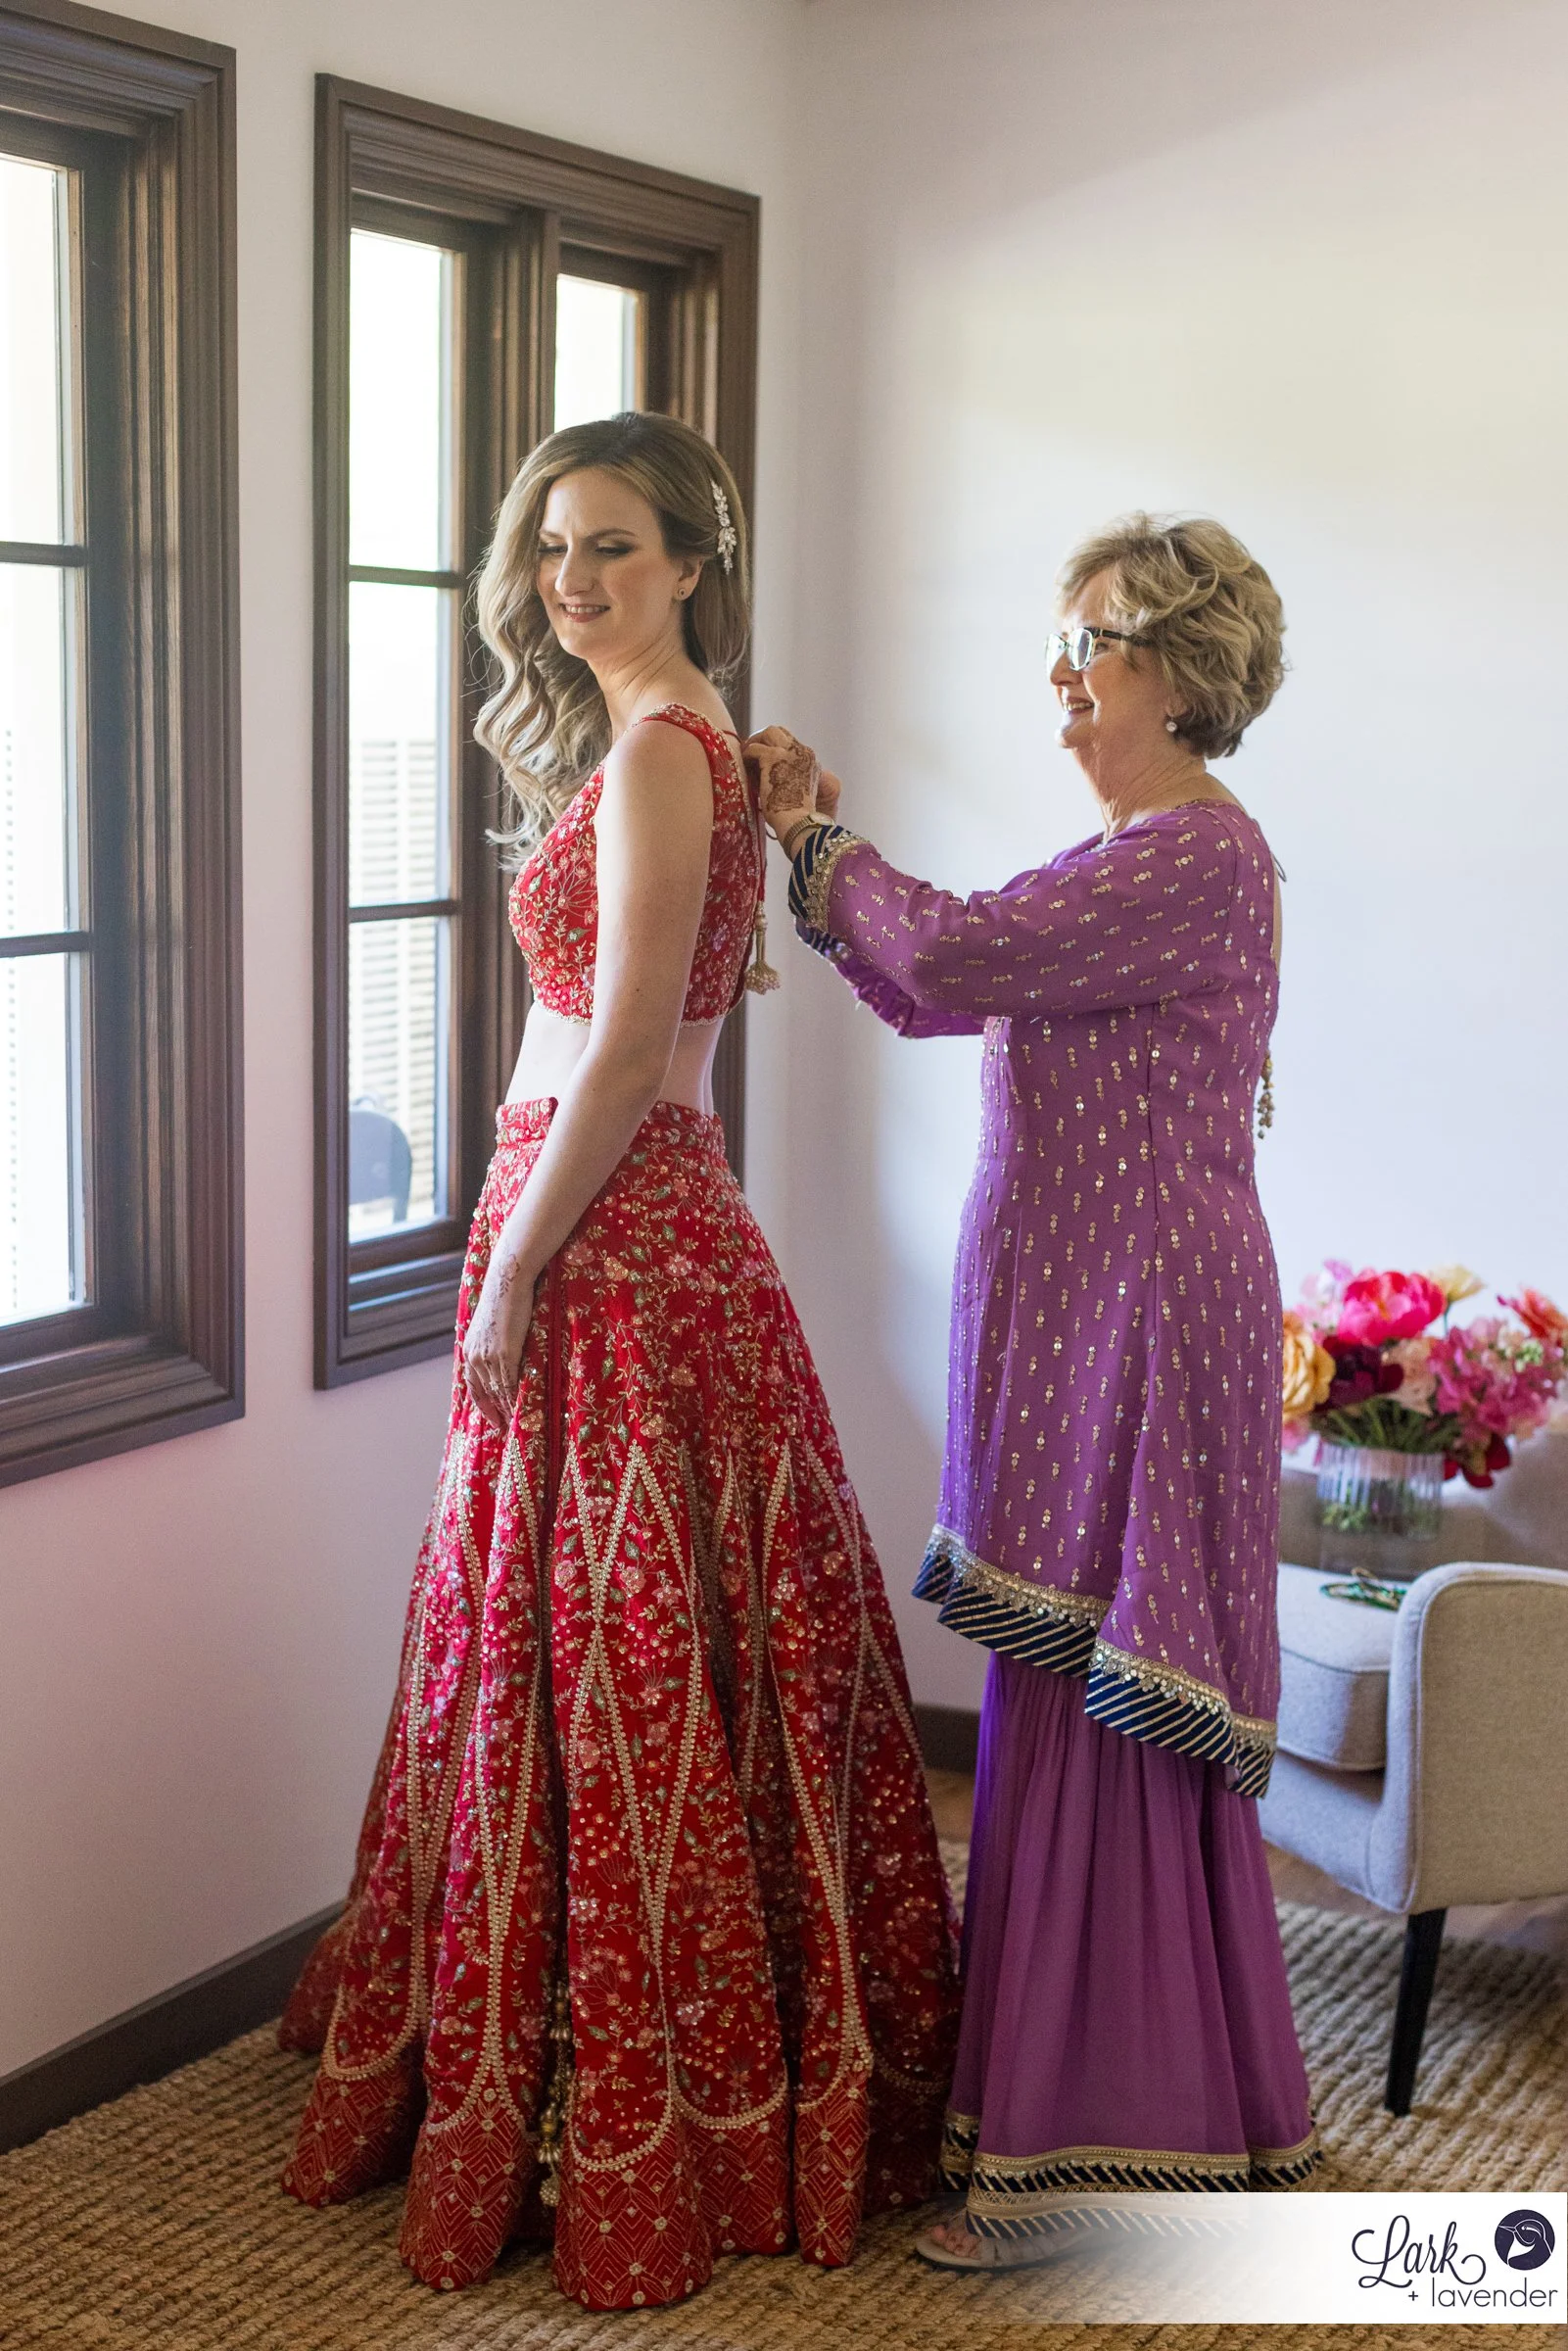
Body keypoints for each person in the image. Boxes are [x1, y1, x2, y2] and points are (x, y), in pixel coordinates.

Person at [278, 413, 961, 2311]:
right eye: (550, 550)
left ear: (686, 564)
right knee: (581, 1636)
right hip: (631, 1220)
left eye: (608, 549)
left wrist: (511, 1272)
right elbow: (663, 1057)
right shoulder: (680, 747)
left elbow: (634, 1045)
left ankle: (659, 2079)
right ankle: (612, 2040)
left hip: (601, 1223)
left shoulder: (667, 754)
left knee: (608, 1641)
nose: (568, 583)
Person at [748, 513, 1319, 2271]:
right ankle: (1121, 2130)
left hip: (1138, 1321)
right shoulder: (1141, 854)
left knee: (1102, 1702)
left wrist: (811, 834)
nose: (1060, 677)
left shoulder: (1193, 859)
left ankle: (1088, 2172)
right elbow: (942, 986)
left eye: (1091, 641)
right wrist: (829, 862)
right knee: (1071, 1695)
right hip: (1096, 1312)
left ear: (1174, 666)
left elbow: (949, 960)